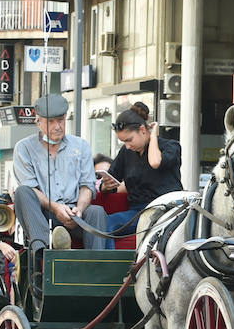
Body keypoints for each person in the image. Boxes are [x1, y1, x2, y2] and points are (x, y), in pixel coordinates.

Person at [10, 92, 107, 259]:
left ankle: (96, 265)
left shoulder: (81, 146)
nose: (57, 126)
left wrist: (79, 209)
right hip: (43, 214)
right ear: (38, 122)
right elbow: (31, 188)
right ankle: (43, 251)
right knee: (23, 192)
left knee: (97, 212)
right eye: (51, 121)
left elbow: (87, 185)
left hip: (75, 213)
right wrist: (56, 208)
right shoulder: (24, 148)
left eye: (61, 120)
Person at [99, 106, 182, 248]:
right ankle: (108, 265)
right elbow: (111, 178)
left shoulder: (171, 146)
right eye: (124, 142)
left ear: (143, 130)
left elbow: (156, 162)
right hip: (138, 212)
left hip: (167, 209)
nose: (128, 145)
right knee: (106, 223)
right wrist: (105, 186)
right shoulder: (127, 152)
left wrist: (154, 136)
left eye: (129, 140)